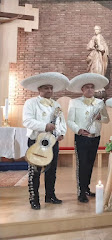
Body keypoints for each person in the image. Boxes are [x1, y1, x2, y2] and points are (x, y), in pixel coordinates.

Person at [21, 72, 69, 210]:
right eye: (46, 88)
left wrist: (61, 133)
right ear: (39, 90)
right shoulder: (30, 103)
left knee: (51, 170)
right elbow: (27, 120)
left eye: (51, 88)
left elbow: (61, 122)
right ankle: (34, 199)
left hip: (52, 142)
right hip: (36, 141)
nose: (49, 90)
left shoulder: (56, 104)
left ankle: (50, 195)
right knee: (35, 171)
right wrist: (44, 126)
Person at [67, 73, 110, 203]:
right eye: (87, 87)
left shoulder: (100, 103)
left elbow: (107, 119)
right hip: (81, 137)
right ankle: (80, 192)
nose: (90, 89)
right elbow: (70, 120)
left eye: (92, 87)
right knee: (82, 165)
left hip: (95, 137)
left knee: (90, 164)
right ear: (82, 90)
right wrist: (78, 130)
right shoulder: (74, 102)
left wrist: (100, 118)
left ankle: (86, 188)